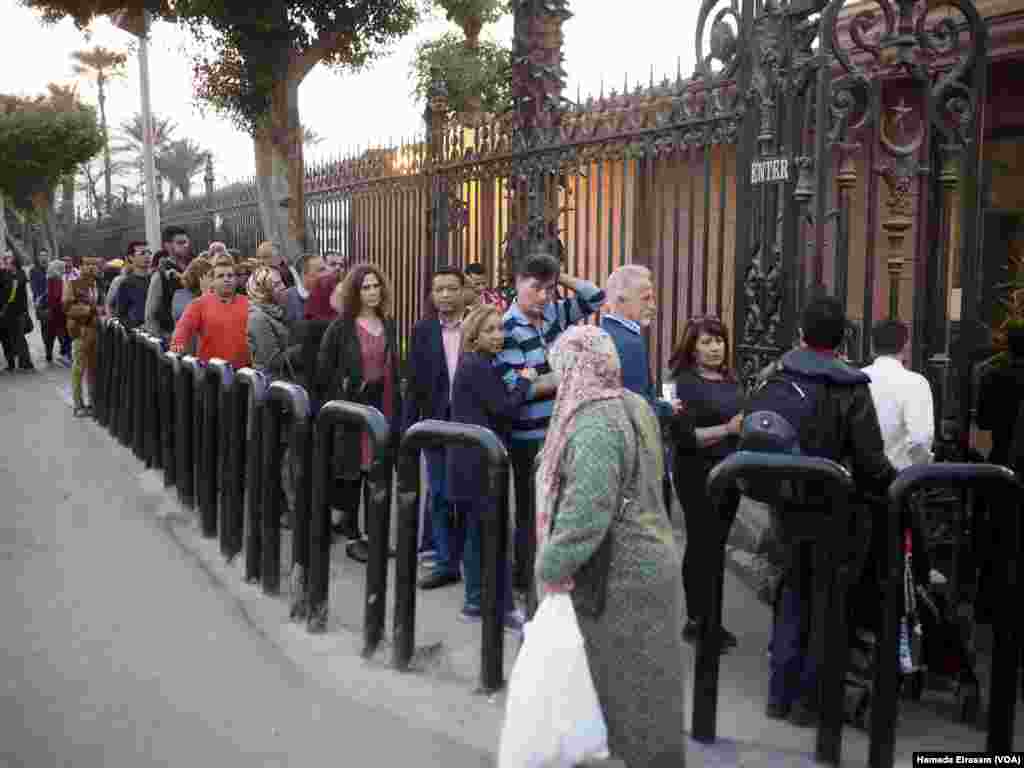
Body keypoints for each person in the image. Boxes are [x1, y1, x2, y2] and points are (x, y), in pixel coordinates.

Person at [535, 325, 685, 768]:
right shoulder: (634, 403)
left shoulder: (594, 421)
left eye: (562, 369)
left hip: (621, 575)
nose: (557, 380)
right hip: (652, 558)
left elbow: (588, 512)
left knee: (627, 698)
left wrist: (550, 565)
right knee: (653, 694)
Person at [758, 296, 895, 726]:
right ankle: (810, 702)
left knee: (790, 592)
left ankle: (779, 695)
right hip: (835, 507)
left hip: (785, 503)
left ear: (801, 332)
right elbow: (872, 462)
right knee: (828, 602)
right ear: (842, 339)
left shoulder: (776, 371)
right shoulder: (850, 385)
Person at [496, 248, 605, 595]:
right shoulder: (506, 328)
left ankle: (554, 574)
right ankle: (525, 579)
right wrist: (570, 375)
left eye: (549, 289)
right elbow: (518, 388)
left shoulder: (554, 314)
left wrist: (560, 277)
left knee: (561, 507)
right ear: (517, 283)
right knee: (531, 510)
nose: (543, 296)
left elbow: (595, 297)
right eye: (535, 288)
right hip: (529, 436)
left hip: (562, 429)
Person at [448, 304, 535, 629]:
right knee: (494, 534)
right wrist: (525, 382)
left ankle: (475, 601)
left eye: (500, 329)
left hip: (470, 458)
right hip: (480, 462)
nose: (498, 336)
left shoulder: (478, 363)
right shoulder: (478, 366)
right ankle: (501, 608)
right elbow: (504, 408)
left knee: (477, 533)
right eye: (490, 330)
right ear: (474, 335)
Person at [314, 265, 402, 563]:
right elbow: (323, 371)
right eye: (366, 287)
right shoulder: (340, 327)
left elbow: (394, 366)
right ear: (355, 292)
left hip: (383, 405)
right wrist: (343, 391)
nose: (373, 292)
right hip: (353, 408)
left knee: (377, 472)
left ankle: (375, 535)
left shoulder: (388, 323)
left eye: (376, 286)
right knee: (353, 473)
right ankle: (353, 536)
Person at [667, 315, 744, 649]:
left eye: (719, 340)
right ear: (692, 347)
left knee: (717, 546)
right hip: (696, 474)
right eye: (707, 342)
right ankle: (697, 620)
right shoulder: (681, 383)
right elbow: (683, 437)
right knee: (702, 543)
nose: (715, 348)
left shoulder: (731, 379)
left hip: (729, 473)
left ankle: (714, 620)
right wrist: (727, 430)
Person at [402, 266, 468, 590]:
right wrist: (409, 427)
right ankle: (445, 561)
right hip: (436, 422)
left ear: (463, 291)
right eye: (439, 289)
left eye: (451, 288)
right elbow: (414, 382)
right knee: (440, 493)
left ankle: (470, 556)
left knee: (469, 493)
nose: (445, 295)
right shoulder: (422, 331)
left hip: (471, 421)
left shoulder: (476, 325)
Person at [862, 320, 934, 470]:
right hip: (901, 478)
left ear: (873, 347)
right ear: (906, 346)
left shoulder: (856, 379)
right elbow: (920, 440)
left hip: (857, 476)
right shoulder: (916, 383)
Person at [170, 254, 251, 369]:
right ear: (213, 281)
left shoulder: (247, 303)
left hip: (243, 371)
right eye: (221, 276)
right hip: (211, 371)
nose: (226, 279)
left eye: (230, 275)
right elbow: (183, 328)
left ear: (235, 279)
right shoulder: (199, 304)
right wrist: (177, 345)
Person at [247, 266, 298, 378]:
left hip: (284, 376)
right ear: (263, 291)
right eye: (276, 285)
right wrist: (303, 349)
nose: (283, 287)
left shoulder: (277, 310)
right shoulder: (257, 318)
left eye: (281, 282)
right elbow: (272, 361)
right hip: (270, 382)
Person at [64, 261, 100, 416]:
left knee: (93, 369)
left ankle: (92, 403)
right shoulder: (73, 284)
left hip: (95, 331)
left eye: (94, 264)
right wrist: (90, 310)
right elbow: (67, 307)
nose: (91, 267)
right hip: (80, 331)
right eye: (87, 264)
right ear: (80, 267)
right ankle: (78, 405)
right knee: (79, 368)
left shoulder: (98, 284)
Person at [144, 226, 193, 338]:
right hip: (171, 336)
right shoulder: (160, 276)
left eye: (187, 242)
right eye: (180, 243)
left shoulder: (195, 269)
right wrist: (161, 340)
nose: (185, 246)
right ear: (168, 246)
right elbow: (150, 315)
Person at [0, 251, 34, 371]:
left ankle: (26, 363)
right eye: (5, 259)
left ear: (13, 264)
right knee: (8, 339)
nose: (6, 262)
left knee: (19, 338)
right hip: (7, 313)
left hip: (17, 313)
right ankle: (13, 363)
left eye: (8, 260)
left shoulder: (19, 275)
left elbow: (12, 293)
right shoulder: (6, 274)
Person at [115, 244, 153, 330]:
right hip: (139, 332)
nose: (147, 256)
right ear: (131, 257)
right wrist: (134, 328)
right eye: (142, 253)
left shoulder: (156, 279)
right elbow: (121, 315)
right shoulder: (126, 283)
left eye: (149, 253)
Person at [284, 253, 327, 325]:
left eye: (325, 269)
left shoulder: (330, 293)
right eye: (321, 270)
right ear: (304, 274)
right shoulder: (287, 297)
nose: (326, 273)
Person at [45, 258, 72, 365]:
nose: (64, 270)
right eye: (62, 268)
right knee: (64, 334)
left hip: (53, 311)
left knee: (51, 335)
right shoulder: (57, 280)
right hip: (59, 311)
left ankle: (51, 354)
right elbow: (57, 296)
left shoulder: (50, 279)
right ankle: (65, 354)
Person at [172, 257, 213, 325]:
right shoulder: (183, 298)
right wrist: (205, 294)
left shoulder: (179, 294)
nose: (213, 280)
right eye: (210, 276)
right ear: (200, 278)